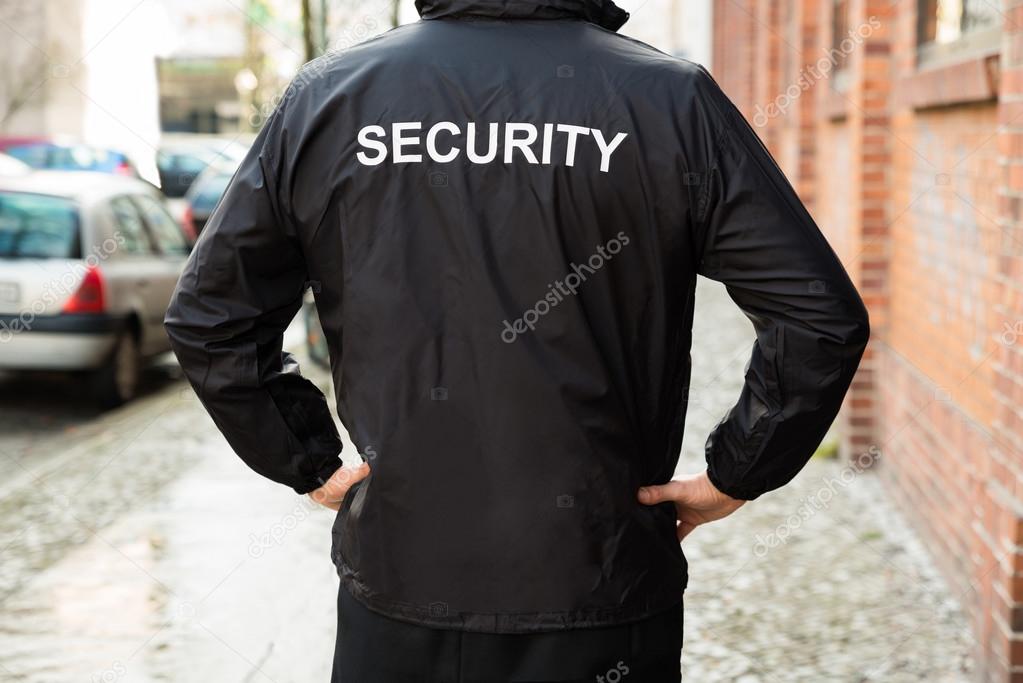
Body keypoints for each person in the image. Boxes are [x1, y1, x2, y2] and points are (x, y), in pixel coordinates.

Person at [164, 0, 870, 679]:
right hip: (599, 575)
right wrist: (734, 475)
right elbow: (815, 316)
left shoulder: (333, 96)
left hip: (402, 576)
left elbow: (211, 316)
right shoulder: (666, 98)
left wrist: (307, 459)